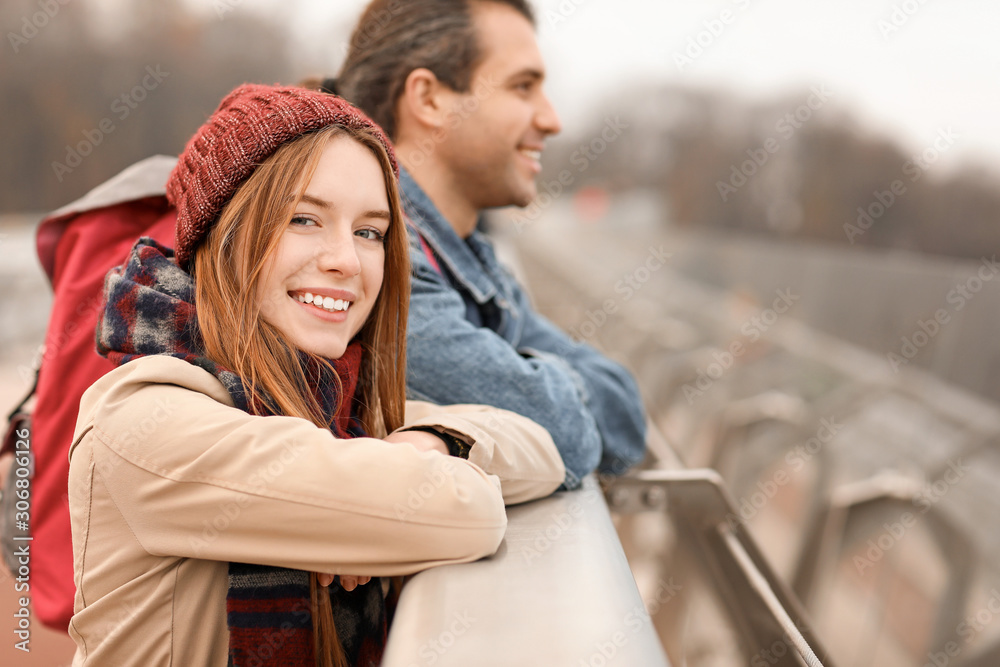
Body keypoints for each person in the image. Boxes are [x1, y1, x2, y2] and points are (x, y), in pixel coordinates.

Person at [67, 83, 564, 666]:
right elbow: (470, 514)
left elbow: (542, 448)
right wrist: (380, 501)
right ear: (223, 233)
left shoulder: (337, 405)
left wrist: (424, 442)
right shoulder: (147, 420)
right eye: (305, 219)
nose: (347, 260)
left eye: (369, 232)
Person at [331, 0, 648, 489]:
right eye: (524, 86)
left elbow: (624, 418)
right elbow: (568, 434)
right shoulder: (373, 262)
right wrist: (539, 382)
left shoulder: (465, 254)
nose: (551, 119)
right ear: (429, 99)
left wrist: (530, 379)